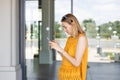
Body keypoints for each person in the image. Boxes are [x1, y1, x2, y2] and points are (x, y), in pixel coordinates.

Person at [49, 13, 88, 80]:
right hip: (64, 74)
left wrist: (61, 49)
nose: (64, 30)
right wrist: (57, 48)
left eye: (65, 27)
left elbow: (76, 63)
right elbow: (65, 57)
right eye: (63, 27)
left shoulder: (81, 38)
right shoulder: (70, 38)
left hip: (73, 76)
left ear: (73, 25)